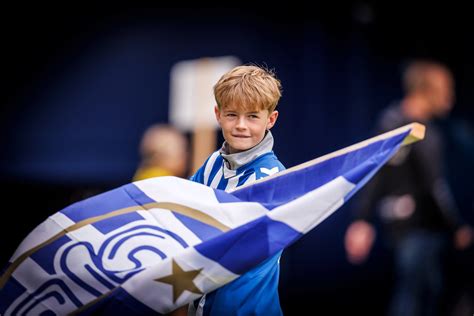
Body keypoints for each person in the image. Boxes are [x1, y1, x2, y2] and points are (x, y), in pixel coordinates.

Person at [344, 60, 472, 316]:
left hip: (428, 229)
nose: (450, 96)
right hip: (413, 230)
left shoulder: (428, 130)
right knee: (413, 296)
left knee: (429, 292)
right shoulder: (397, 123)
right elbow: (377, 172)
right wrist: (361, 220)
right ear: (425, 90)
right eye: (446, 89)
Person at [188, 65, 285, 315]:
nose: (241, 125)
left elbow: (226, 241)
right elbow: (182, 209)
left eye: (253, 116)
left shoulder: (271, 177)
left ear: (270, 119)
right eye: (232, 115)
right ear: (218, 115)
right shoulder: (211, 164)